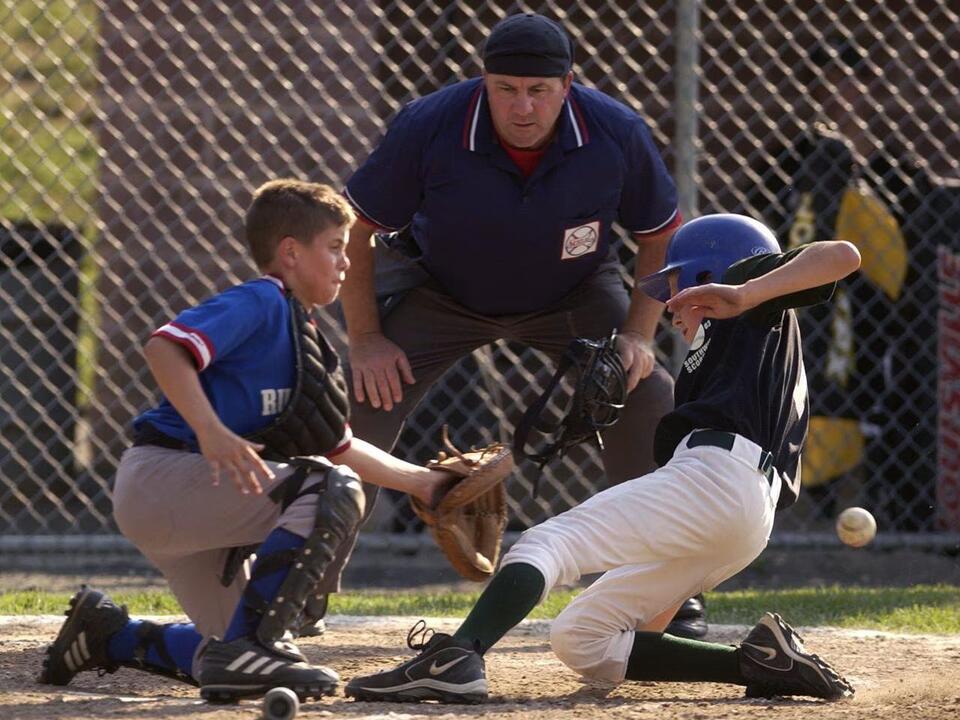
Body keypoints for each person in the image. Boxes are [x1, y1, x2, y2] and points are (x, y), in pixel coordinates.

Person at [343, 214, 860, 703]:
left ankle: (457, 657)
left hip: (720, 478)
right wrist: (642, 640)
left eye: (677, 287)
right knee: (582, 639)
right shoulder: (736, 346)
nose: (671, 306)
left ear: (714, 272)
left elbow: (842, 254)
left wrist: (744, 290)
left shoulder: (754, 298)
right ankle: (758, 664)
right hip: (741, 514)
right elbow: (653, 607)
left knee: (547, 541)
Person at [36, 180, 481, 701]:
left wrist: (426, 484)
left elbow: (338, 446)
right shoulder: (261, 301)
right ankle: (257, 643)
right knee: (330, 490)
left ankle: (108, 634)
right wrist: (211, 429)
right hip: (166, 477)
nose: (346, 262)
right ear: (290, 252)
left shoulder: (302, 339)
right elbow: (164, 347)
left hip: (202, 497)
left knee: (229, 657)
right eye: (335, 247)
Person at [339, 12, 704, 636]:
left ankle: (665, 592)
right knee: (360, 403)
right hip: (442, 290)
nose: (523, 106)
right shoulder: (431, 125)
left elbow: (659, 236)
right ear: (483, 82)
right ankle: (298, 584)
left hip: (573, 293)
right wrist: (367, 340)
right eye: (505, 88)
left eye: (539, 90)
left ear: (568, 85)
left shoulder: (614, 131)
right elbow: (356, 230)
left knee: (646, 393)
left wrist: (639, 335)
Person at [746, 35, 949, 530]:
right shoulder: (789, 163)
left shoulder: (895, 170)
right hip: (809, 306)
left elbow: (909, 258)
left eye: (850, 85)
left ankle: (855, 503)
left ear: (868, 92)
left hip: (877, 314)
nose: (840, 97)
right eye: (827, 86)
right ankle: (797, 512)